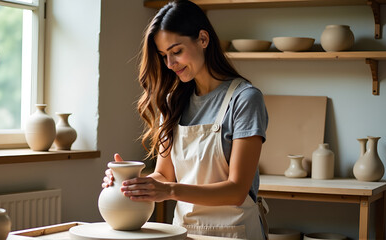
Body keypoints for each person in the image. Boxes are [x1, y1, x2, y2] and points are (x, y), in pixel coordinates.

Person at [103, 0, 269, 239]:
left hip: (236, 232)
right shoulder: (172, 103)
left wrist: (168, 190)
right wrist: (131, 182)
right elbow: (164, 175)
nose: (170, 64)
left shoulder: (245, 99)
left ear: (203, 39)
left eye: (176, 52)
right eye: (163, 56)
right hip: (184, 232)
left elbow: (236, 190)